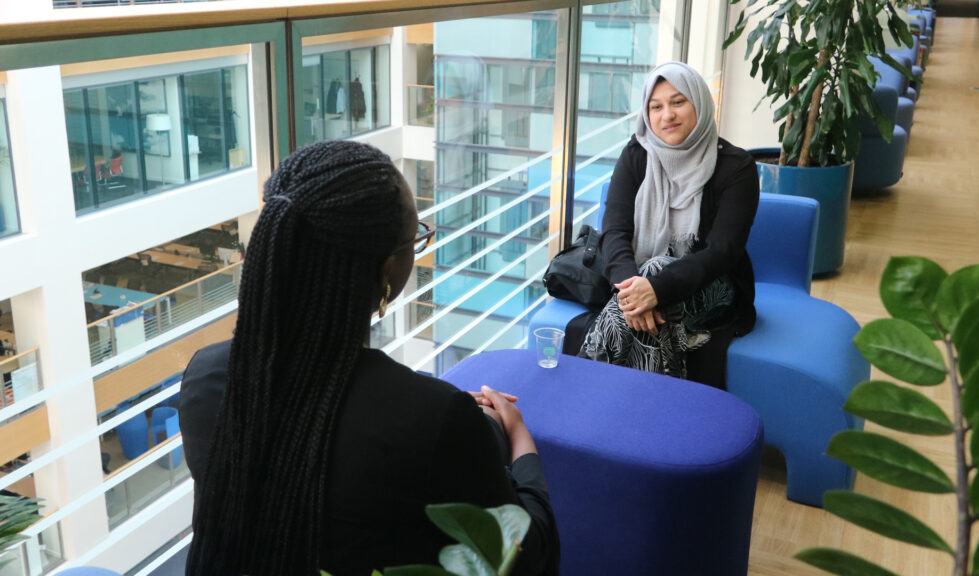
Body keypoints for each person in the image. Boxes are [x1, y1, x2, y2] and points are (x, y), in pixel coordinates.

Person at [179, 140, 559, 576]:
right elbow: (525, 559)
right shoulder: (434, 420)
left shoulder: (206, 377)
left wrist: (443, 416)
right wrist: (518, 440)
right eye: (416, 239)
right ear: (387, 272)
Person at [577, 61, 759, 390]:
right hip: (639, 282)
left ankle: (584, 386)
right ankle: (652, 403)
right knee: (655, 300)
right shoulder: (637, 154)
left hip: (715, 284)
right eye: (656, 106)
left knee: (656, 270)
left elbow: (722, 251)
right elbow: (614, 231)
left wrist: (655, 289)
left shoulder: (737, 167)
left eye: (678, 102)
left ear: (699, 103)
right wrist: (633, 291)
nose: (667, 115)